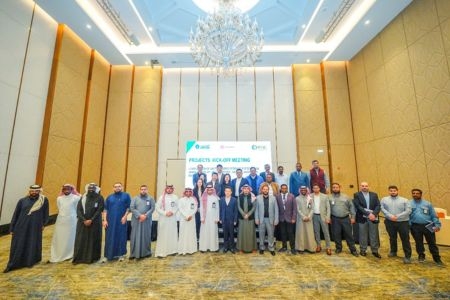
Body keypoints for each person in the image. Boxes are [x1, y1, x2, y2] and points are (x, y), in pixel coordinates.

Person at [4, 185, 49, 273]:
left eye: (36, 191)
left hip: (35, 227)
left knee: (32, 243)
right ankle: (13, 264)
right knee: (18, 244)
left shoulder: (43, 200)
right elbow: (16, 214)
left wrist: (43, 224)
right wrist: (12, 228)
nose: (34, 192)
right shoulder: (22, 201)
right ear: (29, 191)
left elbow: (45, 213)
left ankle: (30, 261)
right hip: (21, 226)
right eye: (32, 191)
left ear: (39, 191)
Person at [409, 188, 443, 265]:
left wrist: (437, 225)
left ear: (421, 194)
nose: (415, 194)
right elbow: (407, 215)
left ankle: (437, 258)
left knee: (432, 242)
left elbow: (433, 215)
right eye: (413, 193)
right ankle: (421, 255)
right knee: (418, 242)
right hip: (415, 226)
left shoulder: (427, 204)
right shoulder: (409, 203)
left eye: (417, 193)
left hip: (429, 225)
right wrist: (409, 225)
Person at [72, 183, 104, 264]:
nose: (91, 191)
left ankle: (92, 258)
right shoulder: (83, 198)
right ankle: (79, 258)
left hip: (95, 223)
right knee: (81, 240)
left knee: (93, 240)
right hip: (82, 223)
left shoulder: (100, 198)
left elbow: (99, 209)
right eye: (89, 189)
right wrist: (84, 220)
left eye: (93, 189)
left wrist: (91, 220)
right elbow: (78, 210)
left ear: (96, 189)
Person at [381, 185, 412, 264]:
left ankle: (407, 256)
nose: (393, 192)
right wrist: (390, 216)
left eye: (394, 190)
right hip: (390, 222)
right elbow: (382, 208)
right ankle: (393, 251)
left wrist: (397, 216)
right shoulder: (384, 199)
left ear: (397, 191)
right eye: (391, 190)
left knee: (405, 239)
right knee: (392, 238)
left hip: (403, 222)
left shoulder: (405, 200)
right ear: (389, 191)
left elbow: (408, 211)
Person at [50, 184, 80, 263]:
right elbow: (60, 207)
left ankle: (70, 253)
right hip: (61, 220)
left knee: (71, 237)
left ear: (71, 190)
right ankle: (59, 253)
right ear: (62, 190)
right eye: (65, 189)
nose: (66, 191)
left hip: (72, 220)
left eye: (68, 189)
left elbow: (77, 208)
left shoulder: (76, 198)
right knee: (60, 237)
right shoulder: (59, 198)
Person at [102, 182, 131, 262]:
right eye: (115, 187)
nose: (117, 188)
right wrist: (104, 220)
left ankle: (121, 254)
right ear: (113, 188)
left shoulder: (126, 196)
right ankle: (108, 255)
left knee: (121, 237)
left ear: (122, 187)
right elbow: (105, 209)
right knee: (109, 237)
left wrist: (125, 217)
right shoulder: (109, 197)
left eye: (119, 186)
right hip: (110, 222)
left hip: (121, 220)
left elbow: (129, 208)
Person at [329, 183, 358, 257]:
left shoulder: (346, 197)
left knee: (349, 234)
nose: (335, 189)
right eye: (334, 187)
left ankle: (353, 249)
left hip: (345, 218)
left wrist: (353, 217)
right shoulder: (329, 198)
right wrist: (328, 217)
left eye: (336, 187)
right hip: (335, 219)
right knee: (336, 234)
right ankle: (338, 248)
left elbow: (352, 207)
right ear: (332, 189)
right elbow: (327, 209)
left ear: (340, 187)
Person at [353, 181, 381, 258]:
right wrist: (368, 214)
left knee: (374, 234)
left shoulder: (374, 195)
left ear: (368, 187)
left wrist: (374, 214)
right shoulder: (357, 195)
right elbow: (358, 206)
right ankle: (363, 250)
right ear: (360, 187)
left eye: (366, 186)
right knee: (363, 235)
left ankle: (375, 251)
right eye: (362, 186)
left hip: (373, 217)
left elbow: (378, 205)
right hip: (362, 217)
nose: (364, 187)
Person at [129, 184, 155, 260]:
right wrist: (140, 215)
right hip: (136, 220)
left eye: (145, 189)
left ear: (147, 190)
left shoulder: (151, 198)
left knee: (146, 236)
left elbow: (152, 208)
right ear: (140, 190)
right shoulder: (135, 198)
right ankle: (133, 254)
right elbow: (132, 207)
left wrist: (145, 216)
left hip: (146, 220)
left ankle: (146, 253)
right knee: (134, 236)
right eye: (142, 189)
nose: (143, 191)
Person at [155, 185, 179, 258]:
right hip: (163, 219)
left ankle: (172, 251)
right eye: (168, 188)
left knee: (172, 234)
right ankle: (161, 252)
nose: (169, 190)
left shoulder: (175, 197)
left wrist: (172, 212)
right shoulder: (161, 197)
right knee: (163, 234)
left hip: (172, 218)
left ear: (172, 189)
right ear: (166, 189)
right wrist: (165, 213)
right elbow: (157, 208)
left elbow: (177, 207)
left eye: (170, 189)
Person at [255, 183, 279, 255]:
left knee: (271, 234)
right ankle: (261, 247)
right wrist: (256, 218)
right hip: (261, 219)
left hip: (270, 220)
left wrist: (276, 219)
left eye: (266, 189)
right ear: (262, 190)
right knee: (261, 234)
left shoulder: (273, 198)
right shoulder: (258, 198)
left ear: (268, 190)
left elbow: (276, 209)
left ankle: (271, 248)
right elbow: (256, 209)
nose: (265, 190)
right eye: (264, 189)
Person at [311, 184, 332, 255]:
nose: (316, 189)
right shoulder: (310, 196)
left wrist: (328, 217)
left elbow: (328, 208)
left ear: (319, 188)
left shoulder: (325, 196)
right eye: (314, 188)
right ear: (312, 189)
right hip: (314, 216)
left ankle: (328, 247)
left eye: (317, 188)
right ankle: (318, 246)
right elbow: (308, 206)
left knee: (326, 232)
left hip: (323, 216)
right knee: (316, 232)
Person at [199, 183, 220, 252]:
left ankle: (213, 247)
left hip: (213, 218)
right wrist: (202, 218)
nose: (210, 191)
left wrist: (217, 218)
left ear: (212, 190)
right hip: (205, 218)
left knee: (213, 232)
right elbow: (201, 208)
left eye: (211, 190)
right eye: (208, 190)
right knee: (205, 232)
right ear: (206, 190)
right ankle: (204, 247)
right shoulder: (203, 198)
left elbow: (217, 209)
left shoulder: (215, 198)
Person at [276, 184, 297, 254]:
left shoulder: (292, 196)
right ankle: (284, 247)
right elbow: (276, 208)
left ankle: (293, 248)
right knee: (283, 233)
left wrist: (294, 218)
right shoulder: (277, 196)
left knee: (291, 233)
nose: (284, 189)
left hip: (290, 219)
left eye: (285, 188)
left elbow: (294, 208)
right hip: (281, 218)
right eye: (283, 188)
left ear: (287, 189)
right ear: (281, 189)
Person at [178, 187, 198, 255]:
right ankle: (183, 249)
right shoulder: (181, 200)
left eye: (190, 192)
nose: (188, 193)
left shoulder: (193, 200)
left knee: (191, 233)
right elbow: (180, 209)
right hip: (184, 219)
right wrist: (186, 216)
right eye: (187, 192)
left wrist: (190, 215)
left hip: (191, 219)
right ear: (185, 192)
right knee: (183, 233)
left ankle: (191, 249)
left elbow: (195, 208)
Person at [237, 184, 257, 253]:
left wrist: (248, 214)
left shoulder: (253, 197)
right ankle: (241, 248)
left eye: (247, 189)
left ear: (249, 190)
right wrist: (243, 214)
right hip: (242, 218)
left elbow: (254, 207)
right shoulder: (240, 197)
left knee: (251, 233)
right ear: (242, 190)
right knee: (242, 233)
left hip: (250, 218)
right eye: (244, 189)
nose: (246, 190)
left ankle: (252, 248)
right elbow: (238, 206)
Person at [295, 186, 316, 253]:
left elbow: (312, 208)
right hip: (300, 219)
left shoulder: (310, 198)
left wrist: (309, 216)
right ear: (300, 191)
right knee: (301, 233)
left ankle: (310, 248)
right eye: (302, 190)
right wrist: (303, 217)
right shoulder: (297, 198)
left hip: (309, 219)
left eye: (304, 189)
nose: (303, 191)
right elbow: (298, 209)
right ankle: (301, 248)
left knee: (309, 233)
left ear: (307, 190)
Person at [219, 186, 238, 253]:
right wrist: (220, 218)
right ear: (224, 192)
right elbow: (220, 210)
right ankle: (225, 247)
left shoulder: (234, 200)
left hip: (231, 220)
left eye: (229, 191)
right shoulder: (221, 199)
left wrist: (235, 220)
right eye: (226, 191)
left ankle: (232, 247)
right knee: (225, 234)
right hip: (224, 220)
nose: (227, 192)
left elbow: (236, 211)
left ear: (231, 192)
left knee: (232, 234)